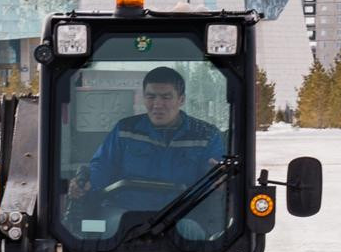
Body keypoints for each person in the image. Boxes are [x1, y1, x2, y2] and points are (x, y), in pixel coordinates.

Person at [70, 67, 226, 238]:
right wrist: (86, 184)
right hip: (123, 211)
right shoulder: (125, 130)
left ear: (181, 99)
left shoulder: (206, 135)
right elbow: (102, 166)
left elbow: (213, 175)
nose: (157, 104)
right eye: (151, 97)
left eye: (166, 97)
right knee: (102, 229)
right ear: (144, 98)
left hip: (180, 215)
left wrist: (218, 179)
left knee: (191, 232)